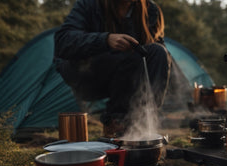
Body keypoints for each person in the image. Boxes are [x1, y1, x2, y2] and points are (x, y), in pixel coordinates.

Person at [54, 0, 171, 137]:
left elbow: (156, 53)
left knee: (159, 53)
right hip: (86, 73)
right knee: (126, 55)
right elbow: (62, 42)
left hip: (126, 71)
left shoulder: (149, 9)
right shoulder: (90, 4)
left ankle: (144, 121)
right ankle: (116, 122)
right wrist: (105, 40)